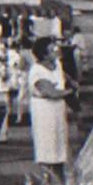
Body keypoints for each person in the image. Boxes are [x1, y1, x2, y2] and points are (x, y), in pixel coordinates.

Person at [28, 35, 69, 168]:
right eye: (53, 50)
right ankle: (47, 175)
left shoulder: (57, 65)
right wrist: (70, 92)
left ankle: (58, 170)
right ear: (44, 55)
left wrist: (71, 82)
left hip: (58, 109)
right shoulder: (37, 71)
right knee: (47, 143)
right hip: (44, 110)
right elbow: (51, 93)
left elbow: (62, 77)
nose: (57, 52)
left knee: (59, 143)